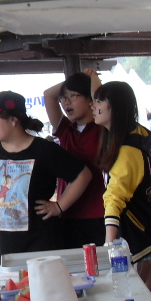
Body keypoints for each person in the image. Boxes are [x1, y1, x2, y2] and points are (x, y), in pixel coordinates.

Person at [0, 91, 91, 265]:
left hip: (42, 246)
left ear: (13, 120)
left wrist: (59, 206)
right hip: (2, 249)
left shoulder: (44, 150)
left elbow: (83, 175)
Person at [92, 81, 151, 301]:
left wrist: (109, 245)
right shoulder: (131, 134)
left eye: (99, 101)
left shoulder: (127, 150)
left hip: (144, 231)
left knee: (141, 296)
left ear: (116, 108)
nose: (93, 106)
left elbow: (115, 197)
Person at [44, 70, 106, 248]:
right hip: (68, 213)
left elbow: (101, 99)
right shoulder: (65, 130)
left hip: (99, 213)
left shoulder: (103, 128)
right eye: (63, 98)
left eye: (73, 96)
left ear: (90, 100)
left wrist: (92, 77)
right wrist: (74, 79)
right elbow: (48, 95)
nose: (66, 102)